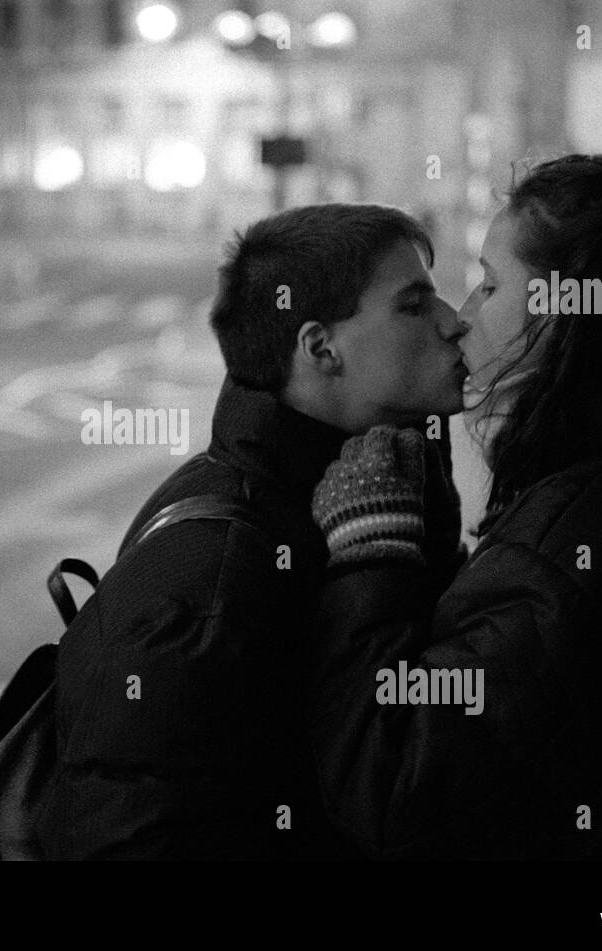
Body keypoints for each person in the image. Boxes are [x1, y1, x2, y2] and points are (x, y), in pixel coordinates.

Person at [306, 154, 602, 859]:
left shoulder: (575, 542)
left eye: (491, 284)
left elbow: (390, 781)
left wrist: (371, 552)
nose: (463, 318)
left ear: (573, 311)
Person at [38, 203, 468, 859]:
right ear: (321, 347)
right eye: (413, 305)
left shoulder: (379, 484)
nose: (453, 321)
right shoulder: (210, 583)